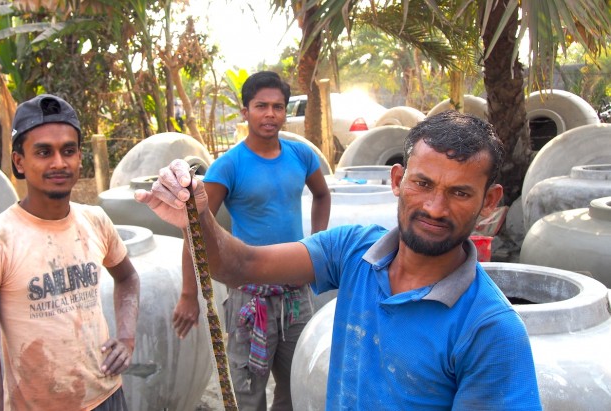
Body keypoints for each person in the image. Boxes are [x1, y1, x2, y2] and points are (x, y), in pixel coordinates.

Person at [136, 110, 543, 409]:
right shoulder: (354, 250)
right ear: (398, 181)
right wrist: (197, 218)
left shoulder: (492, 332)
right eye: (423, 184)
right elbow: (242, 267)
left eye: (459, 193)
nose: (435, 208)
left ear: (489, 202)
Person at [0, 94, 140, 411]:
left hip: (109, 397)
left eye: (69, 151)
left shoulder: (96, 221)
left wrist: (127, 339)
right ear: (19, 161)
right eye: (43, 152)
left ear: (79, 157)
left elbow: (128, 278)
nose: (59, 163)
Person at [173, 71, 330, 410]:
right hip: (250, 297)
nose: (270, 114)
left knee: (296, 382)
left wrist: (319, 246)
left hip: (296, 295)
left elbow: (322, 195)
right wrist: (189, 294)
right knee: (247, 391)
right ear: (245, 112)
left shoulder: (301, 156)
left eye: (278, 107)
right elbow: (194, 228)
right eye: (261, 106)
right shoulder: (229, 166)